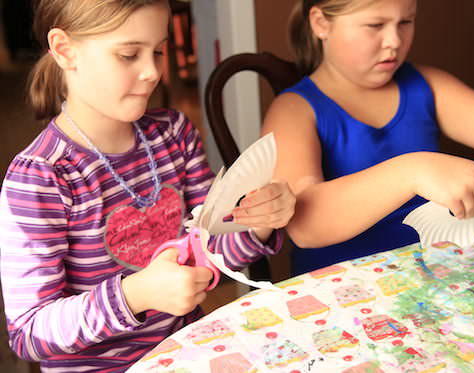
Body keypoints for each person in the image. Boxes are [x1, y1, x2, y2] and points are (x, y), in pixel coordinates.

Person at [0, 0, 295, 371]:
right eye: (128, 55)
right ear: (64, 50)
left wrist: (259, 221)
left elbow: (213, 252)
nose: (153, 71)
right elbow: (29, 334)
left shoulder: (174, 134)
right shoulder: (41, 178)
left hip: (187, 353)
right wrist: (135, 294)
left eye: (157, 50)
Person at [262, 0, 474, 275]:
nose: (394, 41)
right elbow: (305, 225)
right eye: (375, 25)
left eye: (405, 22)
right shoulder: (292, 111)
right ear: (321, 24)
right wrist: (411, 171)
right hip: (343, 286)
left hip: (434, 267)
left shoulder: (425, 84)